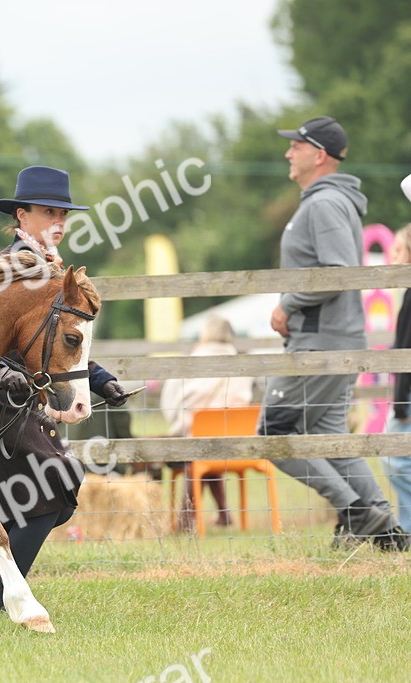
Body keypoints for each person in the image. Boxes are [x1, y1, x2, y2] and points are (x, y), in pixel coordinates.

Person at [0, 167, 124, 611]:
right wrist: (5, 375)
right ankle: (3, 599)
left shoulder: (50, 270)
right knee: (53, 488)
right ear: (22, 215)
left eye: (63, 214)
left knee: (49, 502)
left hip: (22, 403)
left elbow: (56, 344)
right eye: (48, 212)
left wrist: (101, 380)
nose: (59, 221)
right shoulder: (7, 269)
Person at [259, 116, 406, 551]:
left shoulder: (323, 204)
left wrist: (287, 304)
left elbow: (337, 273)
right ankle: (389, 536)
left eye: (296, 146)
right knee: (333, 440)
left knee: (274, 433)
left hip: (320, 340)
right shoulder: (329, 202)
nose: (288, 153)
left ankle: (357, 512)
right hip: (334, 337)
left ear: (318, 155)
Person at [160, 315, 255, 528]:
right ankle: (223, 514)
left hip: (196, 439)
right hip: (236, 443)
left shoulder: (192, 361)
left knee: (199, 452)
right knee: (209, 449)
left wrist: (178, 421)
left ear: (206, 333)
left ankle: (186, 520)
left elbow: (170, 401)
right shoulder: (242, 364)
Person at [383, 224, 411, 533]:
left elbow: (405, 353)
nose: (392, 259)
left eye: (398, 252)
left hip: (408, 396)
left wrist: (401, 404)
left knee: (397, 461)